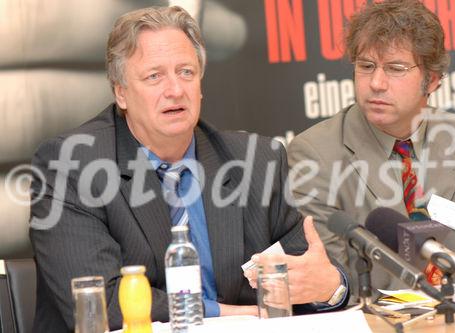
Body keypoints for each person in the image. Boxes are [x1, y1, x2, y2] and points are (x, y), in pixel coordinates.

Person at [29, 6, 348, 332]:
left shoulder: (256, 162)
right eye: (154, 76)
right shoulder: (72, 165)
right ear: (121, 92)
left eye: (186, 72)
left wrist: (331, 287)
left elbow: (305, 276)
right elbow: (103, 304)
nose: (175, 90)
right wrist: (226, 314)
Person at [288, 0, 455, 294]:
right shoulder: (314, 154)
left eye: (395, 68)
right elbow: (332, 284)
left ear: (433, 80)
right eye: (366, 66)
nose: (376, 82)